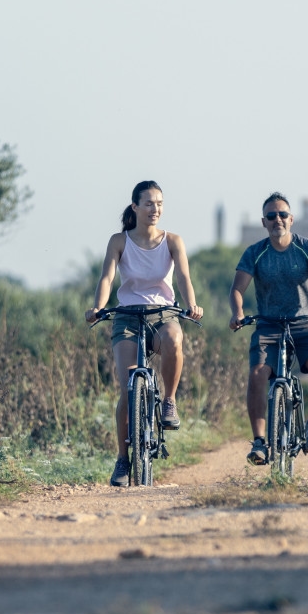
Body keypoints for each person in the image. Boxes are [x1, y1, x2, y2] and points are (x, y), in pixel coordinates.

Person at [86, 181, 204, 487]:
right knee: (127, 390)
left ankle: (169, 401)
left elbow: (183, 277)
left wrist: (191, 305)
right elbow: (107, 277)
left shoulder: (173, 241)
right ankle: (123, 459)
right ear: (135, 207)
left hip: (162, 313)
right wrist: (98, 307)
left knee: (174, 339)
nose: (155, 209)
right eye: (149, 204)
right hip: (127, 316)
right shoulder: (119, 241)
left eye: (160, 204)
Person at [229, 192, 308, 464]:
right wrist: (238, 313)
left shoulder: (307, 247)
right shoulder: (255, 253)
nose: (277, 219)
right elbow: (237, 289)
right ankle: (259, 441)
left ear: (291, 219)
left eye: (282, 215)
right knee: (257, 374)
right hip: (268, 326)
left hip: (305, 325)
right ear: (264, 222)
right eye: (271, 216)